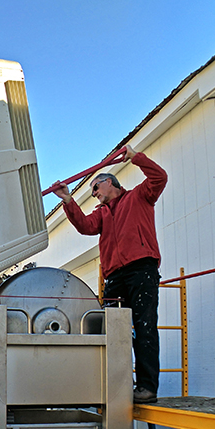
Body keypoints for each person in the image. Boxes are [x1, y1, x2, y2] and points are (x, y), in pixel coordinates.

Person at [51, 145, 167, 404]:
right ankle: (117, 385)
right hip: (114, 277)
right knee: (112, 331)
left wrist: (136, 158)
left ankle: (147, 388)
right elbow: (84, 226)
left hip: (141, 269)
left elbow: (160, 177)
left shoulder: (139, 196)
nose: (93, 194)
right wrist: (68, 200)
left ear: (109, 182)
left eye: (95, 188)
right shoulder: (101, 215)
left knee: (144, 326)